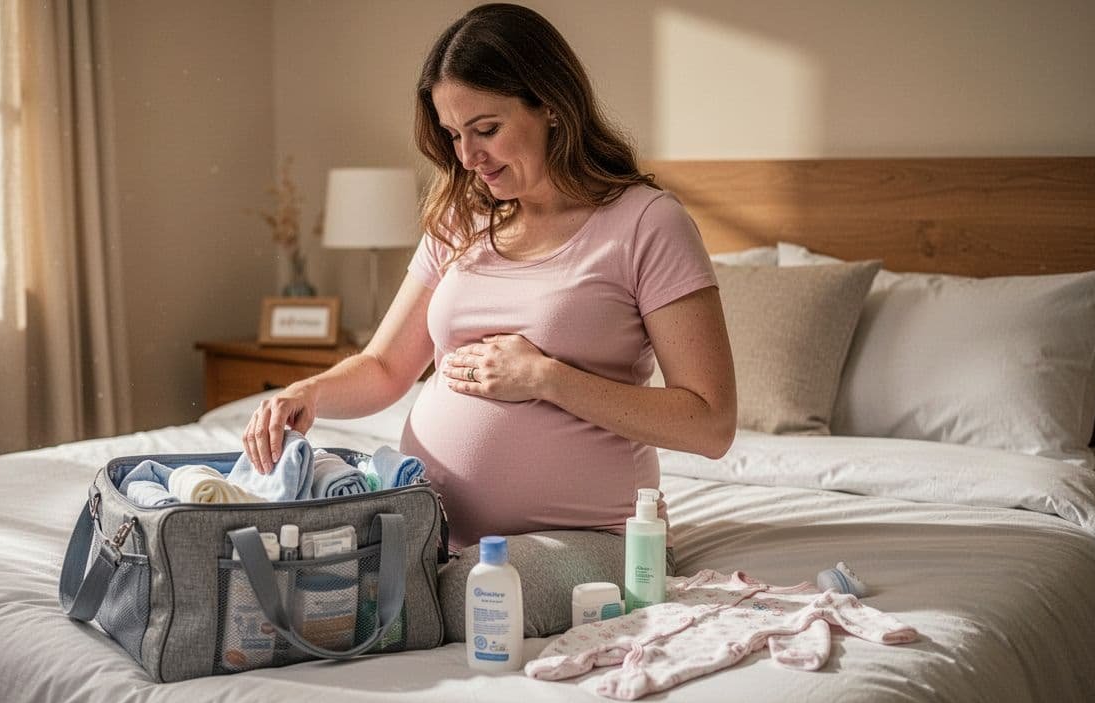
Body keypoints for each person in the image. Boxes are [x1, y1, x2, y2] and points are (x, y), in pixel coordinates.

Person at [242, 3, 735, 572]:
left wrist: (544, 378)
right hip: (432, 528)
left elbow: (711, 424)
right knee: (287, 569)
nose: (469, 158)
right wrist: (308, 393)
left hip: (591, 538)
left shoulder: (647, 223)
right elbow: (385, 368)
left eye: (487, 130)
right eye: (454, 135)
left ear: (550, 104)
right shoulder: (461, 217)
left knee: (454, 602)